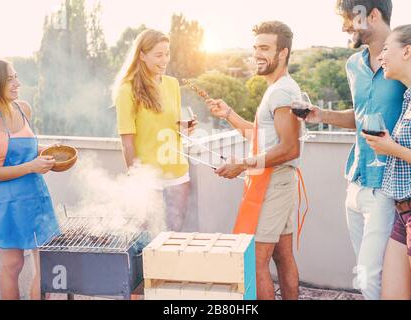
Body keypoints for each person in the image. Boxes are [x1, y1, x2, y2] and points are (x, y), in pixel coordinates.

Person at [295, 0, 406, 299]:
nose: (345, 26)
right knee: (367, 270)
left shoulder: (407, 58)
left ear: (373, 15)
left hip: (387, 185)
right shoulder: (353, 65)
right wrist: (323, 116)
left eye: (350, 19)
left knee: (369, 277)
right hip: (355, 183)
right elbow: (360, 115)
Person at [206, 21, 302, 300]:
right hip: (279, 182)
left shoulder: (282, 91)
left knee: (255, 261)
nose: (257, 54)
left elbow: (289, 148)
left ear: (282, 53)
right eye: (255, 48)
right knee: (283, 256)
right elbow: (261, 136)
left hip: (274, 184)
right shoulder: (278, 88)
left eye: (264, 48)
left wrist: (243, 164)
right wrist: (230, 115)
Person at [362, 24, 411, 300]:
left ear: (407, 52)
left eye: (385, 49)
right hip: (404, 214)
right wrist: (390, 148)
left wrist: (392, 148)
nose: (380, 57)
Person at [0, 59, 60, 300]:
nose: (17, 83)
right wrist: (31, 166)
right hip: (8, 203)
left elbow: (31, 149)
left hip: (37, 197)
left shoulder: (23, 109)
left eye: (16, 76)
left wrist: (47, 152)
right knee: (13, 266)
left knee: (46, 264)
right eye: (10, 79)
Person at [113, 29, 197, 232]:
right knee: (148, 240)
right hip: (149, 178)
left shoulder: (172, 84)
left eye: (167, 54)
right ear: (142, 55)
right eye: (158, 55)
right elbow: (127, 142)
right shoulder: (127, 90)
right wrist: (137, 180)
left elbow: (171, 123)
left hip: (178, 172)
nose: (165, 60)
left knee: (174, 234)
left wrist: (184, 126)